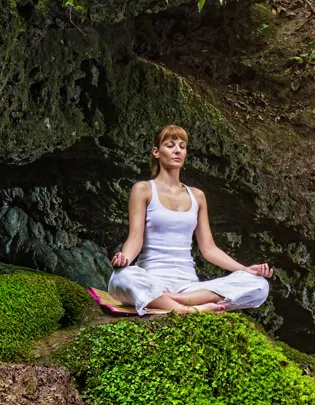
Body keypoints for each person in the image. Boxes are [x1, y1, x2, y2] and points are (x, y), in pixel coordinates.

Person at [108, 125, 272, 315]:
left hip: (188, 286)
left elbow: (209, 248)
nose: (177, 150)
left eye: (182, 146)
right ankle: (188, 309)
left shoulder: (197, 196)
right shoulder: (143, 189)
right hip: (152, 279)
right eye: (170, 145)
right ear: (156, 152)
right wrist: (125, 259)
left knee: (259, 286)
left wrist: (245, 269)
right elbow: (135, 236)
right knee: (121, 278)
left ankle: (171, 300)